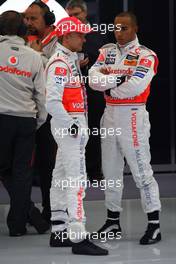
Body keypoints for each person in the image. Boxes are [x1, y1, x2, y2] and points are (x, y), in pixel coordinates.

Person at [89, 11, 161, 245]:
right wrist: (116, 82)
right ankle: (112, 222)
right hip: (109, 115)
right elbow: (92, 79)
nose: (119, 32)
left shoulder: (146, 56)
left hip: (133, 115)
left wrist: (108, 86)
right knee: (110, 173)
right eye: (116, 28)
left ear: (136, 28)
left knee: (142, 171)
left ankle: (154, 224)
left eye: (125, 28)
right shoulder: (106, 51)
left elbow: (136, 87)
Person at [45, 16, 108, 255]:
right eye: (80, 34)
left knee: (60, 176)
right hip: (69, 127)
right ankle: (78, 236)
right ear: (66, 37)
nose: (84, 38)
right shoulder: (60, 63)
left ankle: (59, 231)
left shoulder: (69, 59)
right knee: (77, 181)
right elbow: (51, 101)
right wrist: (71, 125)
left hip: (70, 126)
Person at [0, 10, 46, 236]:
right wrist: (38, 120)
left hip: (1, 119)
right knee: (21, 173)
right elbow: (42, 95)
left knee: (8, 171)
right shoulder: (35, 57)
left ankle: (31, 215)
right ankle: (19, 226)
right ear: (22, 30)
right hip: (26, 121)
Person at [24, 0, 58, 223]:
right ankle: (24, 212)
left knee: (48, 165)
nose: (28, 22)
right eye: (26, 18)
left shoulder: (59, 40)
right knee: (22, 166)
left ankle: (50, 208)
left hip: (51, 113)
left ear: (47, 20)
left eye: (33, 18)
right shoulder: (23, 41)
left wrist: (38, 56)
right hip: (26, 112)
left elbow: (57, 73)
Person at [65, 0, 107, 181]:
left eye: (76, 15)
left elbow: (106, 60)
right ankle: (74, 171)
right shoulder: (64, 35)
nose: (72, 18)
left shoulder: (98, 34)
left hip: (93, 90)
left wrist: (90, 60)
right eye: (69, 16)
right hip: (71, 91)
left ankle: (94, 171)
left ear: (85, 13)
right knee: (72, 131)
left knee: (94, 130)